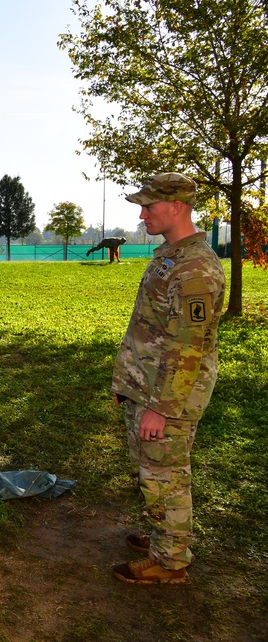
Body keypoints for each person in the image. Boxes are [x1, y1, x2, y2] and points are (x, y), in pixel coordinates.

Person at [110, 172, 224, 585]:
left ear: (176, 207)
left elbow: (188, 347)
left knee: (167, 476)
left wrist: (160, 408)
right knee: (151, 469)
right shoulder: (172, 254)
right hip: (147, 385)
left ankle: (171, 561)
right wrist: (130, 385)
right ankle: (163, 535)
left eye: (149, 206)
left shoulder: (196, 269)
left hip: (168, 396)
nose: (142, 215)